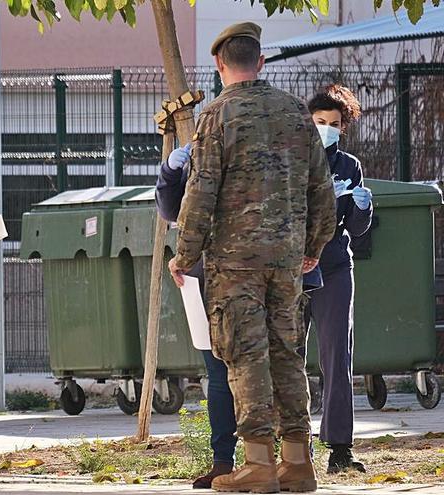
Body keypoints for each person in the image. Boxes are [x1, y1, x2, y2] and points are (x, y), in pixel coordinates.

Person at [167, 22, 337, 493]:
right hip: (286, 260)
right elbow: (321, 188)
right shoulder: (296, 114)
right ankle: (298, 463)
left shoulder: (217, 117)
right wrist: (313, 247)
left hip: (235, 262)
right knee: (288, 353)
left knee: (245, 356)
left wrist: (185, 254)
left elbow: (200, 192)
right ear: (260, 62)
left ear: (221, 65)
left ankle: (259, 465)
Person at [158, 147, 324, 489]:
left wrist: (184, 257)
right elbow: (174, 208)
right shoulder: (265, 149)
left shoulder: (257, 154)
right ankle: (249, 462)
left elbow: (193, 214)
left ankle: (271, 462)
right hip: (241, 274)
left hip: (233, 276)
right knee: (232, 372)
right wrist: (173, 171)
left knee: (265, 369)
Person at [306, 84, 373, 474]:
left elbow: (357, 227)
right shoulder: (292, 158)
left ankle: (339, 449)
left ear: (343, 127)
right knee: (288, 357)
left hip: (333, 265)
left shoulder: (349, 165)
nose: (326, 129)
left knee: (337, 356)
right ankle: (292, 443)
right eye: (319, 122)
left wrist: (363, 206)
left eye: (333, 124)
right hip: (295, 267)